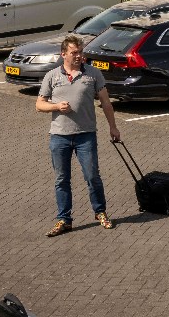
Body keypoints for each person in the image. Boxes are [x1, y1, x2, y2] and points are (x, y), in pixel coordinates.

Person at [36, 34, 121, 236]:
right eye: (74, 52)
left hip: (86, 135)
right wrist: (56, 106)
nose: (79, 56)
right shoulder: (52, 76)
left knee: (92, 176)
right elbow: (39, 105)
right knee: (62, 179)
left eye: (80, 52)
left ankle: (100, 212)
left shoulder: (93, 74)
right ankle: (64, 219)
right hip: (59, 136)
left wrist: (113, 127)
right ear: (63, 54)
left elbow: (106, 103)